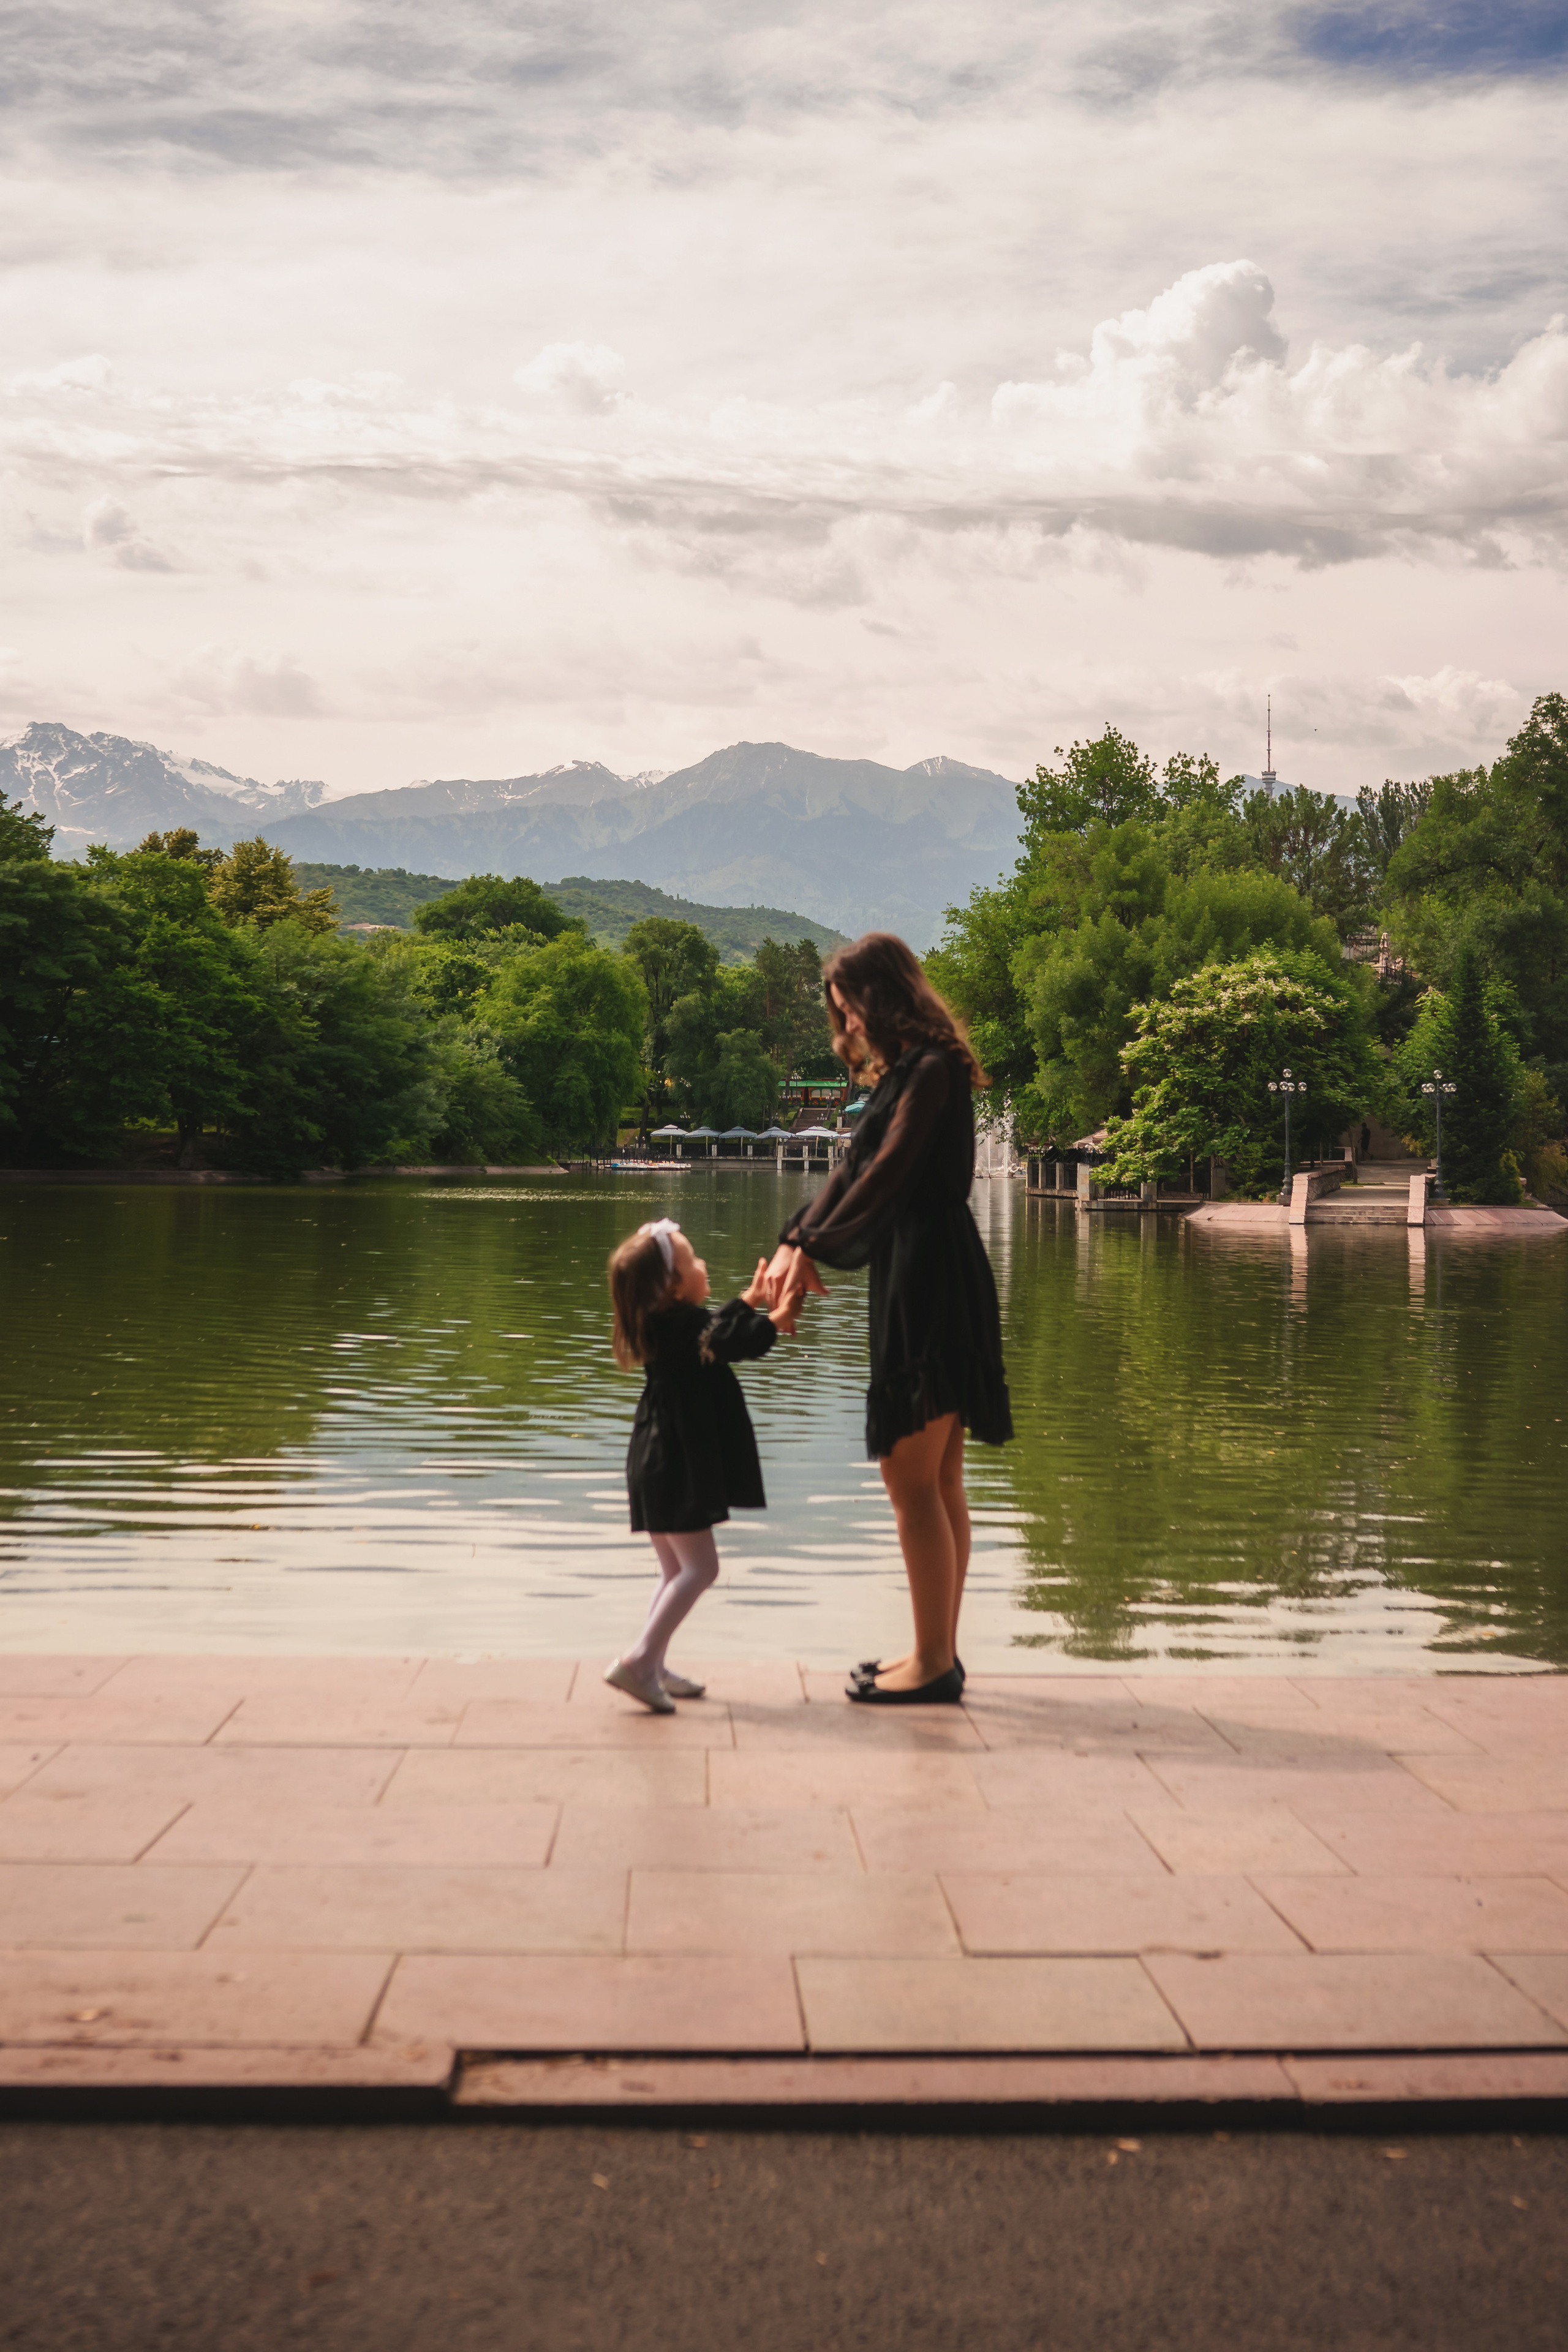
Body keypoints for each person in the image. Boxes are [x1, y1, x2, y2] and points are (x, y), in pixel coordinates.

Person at [762, 933, 1013, 1705]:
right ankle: (932, 1649)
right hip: (923, 1269)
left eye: (849, 1007)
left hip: (931, 1274)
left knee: (912, 1476)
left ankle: (934, 1661)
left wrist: (808, 1247)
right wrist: (792, 1239)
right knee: (937, 1477)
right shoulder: (910, 1072)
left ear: (881, 997)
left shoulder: (930, 1073)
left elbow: (889, 1173)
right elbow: (850, 1172)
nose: (847, 1024)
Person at [604, 1216, 804, 1713]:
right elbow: (734, 1341)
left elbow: (714, 1331)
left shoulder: (668, 1326)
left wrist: (750, 1302)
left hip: (652, 1461)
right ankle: (639, 1660)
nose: (703, 1264)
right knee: (702, 1569)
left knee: (675, 1570)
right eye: (693, 1261)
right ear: (672, 1288)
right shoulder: (688, 1327)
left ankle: (653, 1667)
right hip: (675, 1465)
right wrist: (775, 1318)